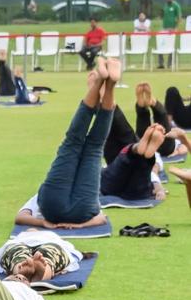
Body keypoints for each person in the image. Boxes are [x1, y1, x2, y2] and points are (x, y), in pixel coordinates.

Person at [15, 59, 120, 231]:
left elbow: (20, 218)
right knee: (74, 141)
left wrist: (45, 223)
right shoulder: (39, 196)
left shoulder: (38, 200)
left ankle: (106, 85)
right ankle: (105, 84)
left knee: (93, 146)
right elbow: (103, 219)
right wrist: (79, 225)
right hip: (71, 208)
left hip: (73, 209)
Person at [100, 122, 167, 201]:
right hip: (137, 192)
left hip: (109, 186)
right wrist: (159, 189)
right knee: (142, 166)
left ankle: (136, 148)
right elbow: (154, 172)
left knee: (122, 164)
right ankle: (137, 149)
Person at [160, 0, 181, 68]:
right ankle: (161, 63)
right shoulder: (165, 5)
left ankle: (170, 63)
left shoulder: (176, 6)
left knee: (171, 46)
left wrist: (175, 28)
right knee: (160, 43)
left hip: (172, 29)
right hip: (164, 28)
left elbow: (179, 18)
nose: (167, 0)